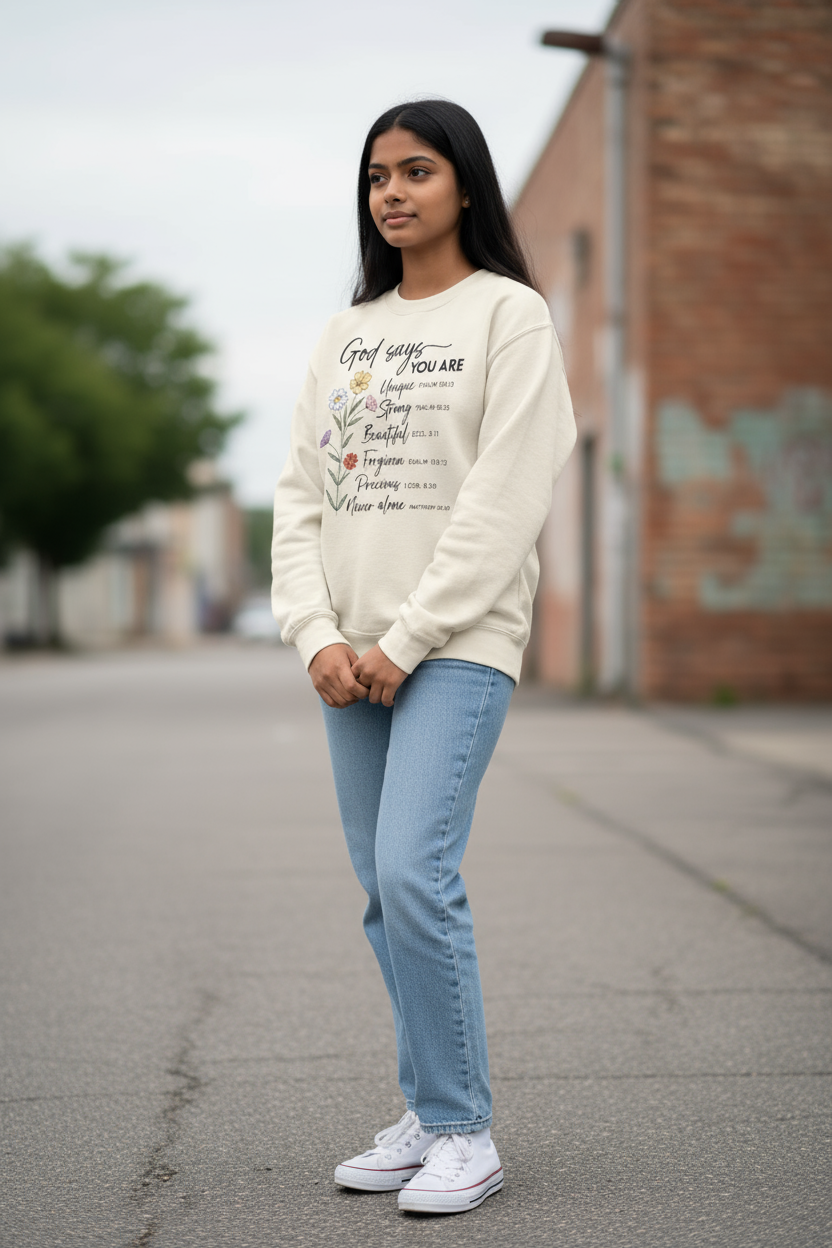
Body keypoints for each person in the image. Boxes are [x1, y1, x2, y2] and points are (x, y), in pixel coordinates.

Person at [271, 99, 576, 1216]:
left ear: (463, 187)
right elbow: (302, 496)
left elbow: (505, 501)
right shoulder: (346, 333)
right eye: (375, 178)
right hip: (348, 657)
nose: (391, 193)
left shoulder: (510, 318)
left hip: (453, 646)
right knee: (379, 890)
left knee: (414, 871)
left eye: (415, 172)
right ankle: (423, 1108)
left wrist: (404, 638)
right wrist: (316, 633)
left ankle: (462, 1131)